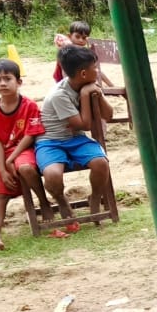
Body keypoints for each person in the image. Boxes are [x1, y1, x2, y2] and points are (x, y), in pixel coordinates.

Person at [36, 44, 114, 234]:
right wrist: (86, 95)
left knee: (101, 163)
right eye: (94, 68)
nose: (97, 71)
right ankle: (61, 201)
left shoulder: (88, 85)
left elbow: (108, 115)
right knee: (52, 175)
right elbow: (84, 124)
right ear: (83, 74)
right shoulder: (59, 95)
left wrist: (98, 94)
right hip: (50, 141)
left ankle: (95, 197)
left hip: (76, 139)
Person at [0, 59, 44, 252]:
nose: (3, 83)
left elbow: (30, 135)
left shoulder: (29, 105)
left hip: (24, 149)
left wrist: (11, 159)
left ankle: (44, 204)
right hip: (3, 154)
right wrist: (2, 169)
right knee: (1, 194)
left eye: (7, 78)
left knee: (25, 167)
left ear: (19, 82)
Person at [52, 20, 112, 87]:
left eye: (84, 38)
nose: (81, 40)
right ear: (70, 36)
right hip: (64, 82)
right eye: (77, 37)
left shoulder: (84, 53)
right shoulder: (66, 53)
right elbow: (65, 73)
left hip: (78, 79)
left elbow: (96, 70)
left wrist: (111, 85)